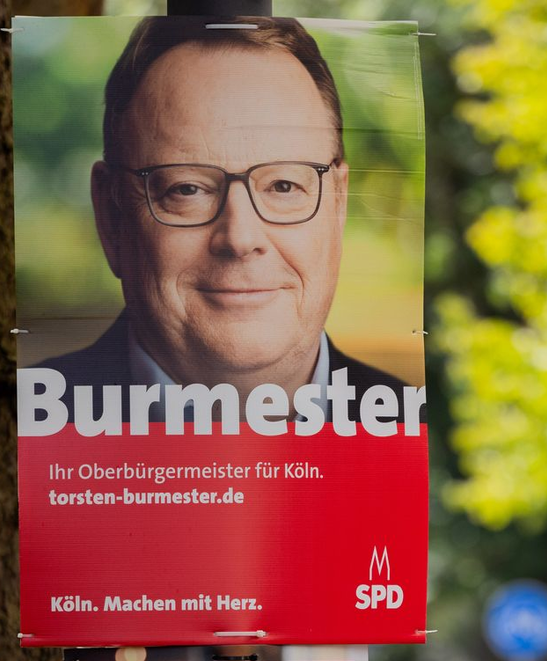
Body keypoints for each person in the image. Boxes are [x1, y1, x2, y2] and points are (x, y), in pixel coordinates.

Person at [41, 16, 411, 425]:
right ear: (112, 219)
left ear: (338, 203)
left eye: (284, 186)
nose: (240, 238)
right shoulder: (8, 434)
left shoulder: (446, 445)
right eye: (187, 189)